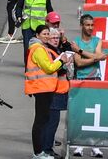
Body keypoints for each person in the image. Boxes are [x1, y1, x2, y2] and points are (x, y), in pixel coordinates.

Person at [25, 23, 72, 159]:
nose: (46, 36)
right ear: (37, 35)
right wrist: (61, 61)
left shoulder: (41, 47)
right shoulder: (38, 49)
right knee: (41, 121)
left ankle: (41, 152)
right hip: (41, 88)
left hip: (44, 88)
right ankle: (38, 152)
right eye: (44, 34)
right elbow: (49, 67)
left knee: (43, 120)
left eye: (47, 34)